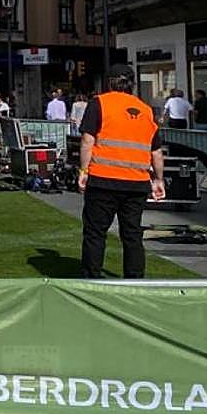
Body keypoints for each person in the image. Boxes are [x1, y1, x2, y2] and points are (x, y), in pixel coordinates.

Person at [78, 65, 166, 279]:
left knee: (95, 232)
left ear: (109, 82)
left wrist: (83, 170)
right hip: (136, 182)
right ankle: (135, 280)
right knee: (132, 234)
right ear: (132, 84)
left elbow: (88, 140)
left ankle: (92, 278)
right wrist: (159, 179)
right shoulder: (145, 110)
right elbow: (156, 151)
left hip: (103, 179)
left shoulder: (99, 103)